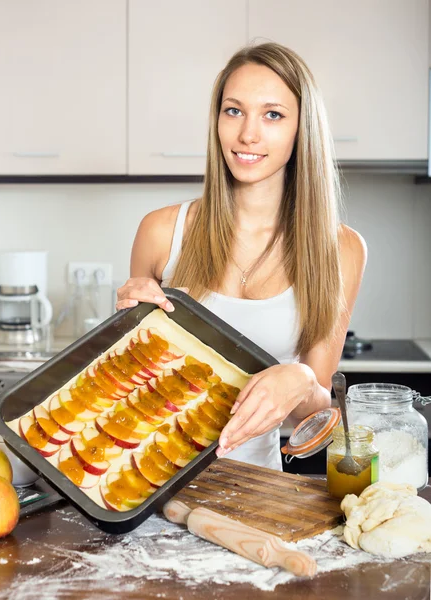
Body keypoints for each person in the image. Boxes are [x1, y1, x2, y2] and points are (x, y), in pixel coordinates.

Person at [116, 42, 367, 469]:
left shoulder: (340, 249)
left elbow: (314, 410)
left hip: (257, 488)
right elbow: (129, 384)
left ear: (300, 129)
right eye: (234, 111)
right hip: (149, 480)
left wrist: (303, 378)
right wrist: (124, 326)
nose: (248, 134)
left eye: (273, 115)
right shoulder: (161, 232)